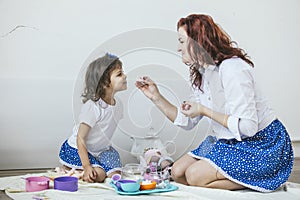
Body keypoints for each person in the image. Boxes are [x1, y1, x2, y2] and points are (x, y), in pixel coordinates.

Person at [135, 14, 293, 192]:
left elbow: (248, 128)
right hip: (227, 141)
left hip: (261, 144)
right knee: (178, 172)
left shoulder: (233, 69)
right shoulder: (202, 72)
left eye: (181, 41)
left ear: (197, 42)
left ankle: (267, 178)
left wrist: (203, 110)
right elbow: (186, 121)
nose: (178, 48)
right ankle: (240, 178)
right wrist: (155, 96)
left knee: (194, 176)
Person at [59, 53, 127, 183]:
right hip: (78, 148)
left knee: (115, 175)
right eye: (119, 74)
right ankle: (71, 169)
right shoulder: (92, 107)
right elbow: (80, 138)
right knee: (99, 175)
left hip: (102, 150)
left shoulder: (119, 105)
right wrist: (87, 166)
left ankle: (86, 167)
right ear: (104, 83)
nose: (125, 76)